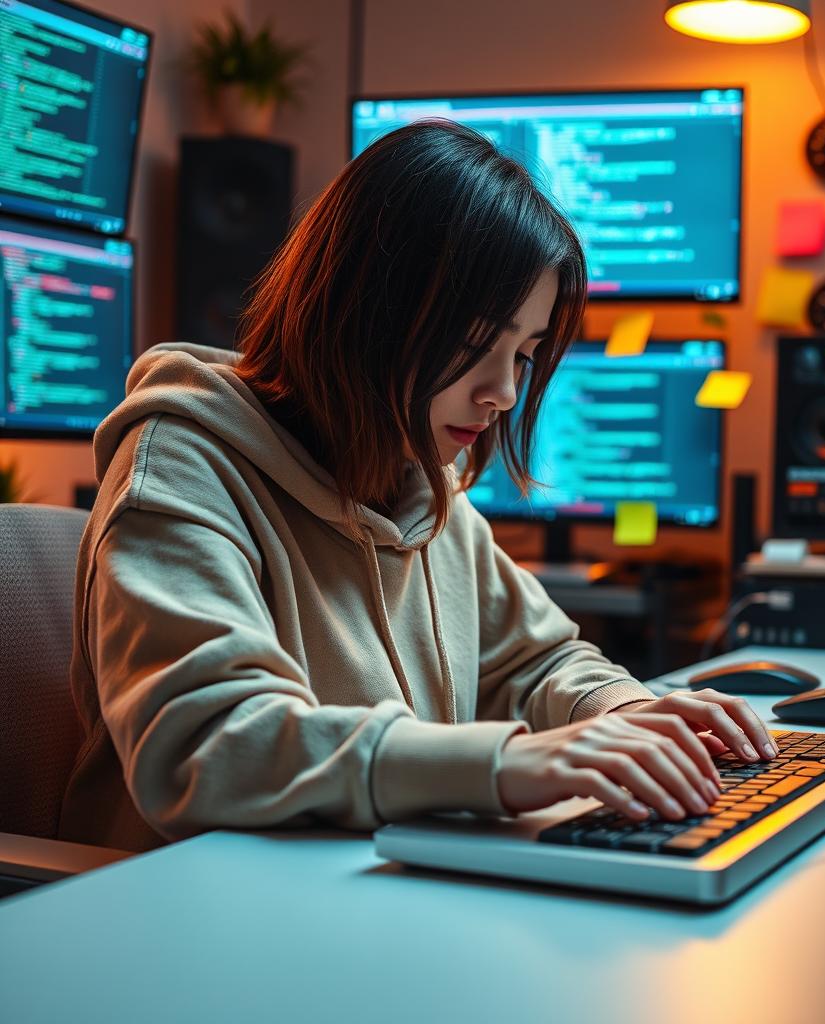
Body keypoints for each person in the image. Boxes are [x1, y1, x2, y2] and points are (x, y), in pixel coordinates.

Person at [58, 121, 777, 853]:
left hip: (359, 900)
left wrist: (625, 711)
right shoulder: (181, 464)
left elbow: (537, 660)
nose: (502, 392)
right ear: (364, 311)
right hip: (187, 919)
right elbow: (209, 745)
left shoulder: (424, 486)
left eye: (523, 356)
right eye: (473, 346)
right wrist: (504, 764)